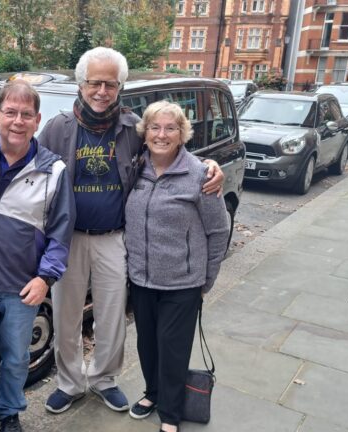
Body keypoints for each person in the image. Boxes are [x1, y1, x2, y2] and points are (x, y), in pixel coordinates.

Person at [38, 46, 224, 415]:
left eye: (110, 83)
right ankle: (70, 382)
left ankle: (104, 378)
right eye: (95, 83)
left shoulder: (130, 127)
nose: (102, 91)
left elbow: (169, 148)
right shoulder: (58, 128)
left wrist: (208, 165)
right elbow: (31, 166)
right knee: (66, 315)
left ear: (120, 86)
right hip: (68, 239)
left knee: (111, 317)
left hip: (113, 238)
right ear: (81, 84)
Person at [0, 80, 75, 432]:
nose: (18, 121)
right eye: (10, 113)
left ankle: (10, 413)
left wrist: (46, 278)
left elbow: (61, 233)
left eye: (26, 115)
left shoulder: (54, 171)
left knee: (16, 359)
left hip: (23, 288)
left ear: (37, 120)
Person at [125, 100, 229, 432]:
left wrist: (206, 278)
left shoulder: (201, 175)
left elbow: (219, 229)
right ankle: (153, 393)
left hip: (182, 283)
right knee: (146, 344)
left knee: (172, 348)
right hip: (141, 279)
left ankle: (170, 414)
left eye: (171, 128)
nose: (162, 134)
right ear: (145, 132)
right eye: (155, 127)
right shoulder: (134, 168)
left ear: (182, 133)